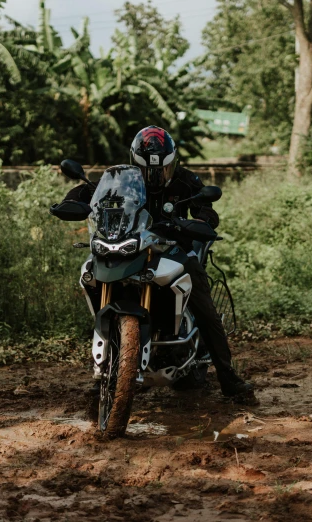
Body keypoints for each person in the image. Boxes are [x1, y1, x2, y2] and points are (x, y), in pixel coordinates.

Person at [63, 125, 255, 400]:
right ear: (134, 162)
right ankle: (105, 372)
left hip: (175, 249)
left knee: (204, 307)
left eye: (163, 168)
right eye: (147, 169)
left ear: (172, 161)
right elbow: (91, 192)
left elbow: (206, 211)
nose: (156, 175)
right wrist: (70, 201)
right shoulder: (122, 180)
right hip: (131, 248)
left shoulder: (185, 180)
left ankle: (228, 378)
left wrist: (198, 222)